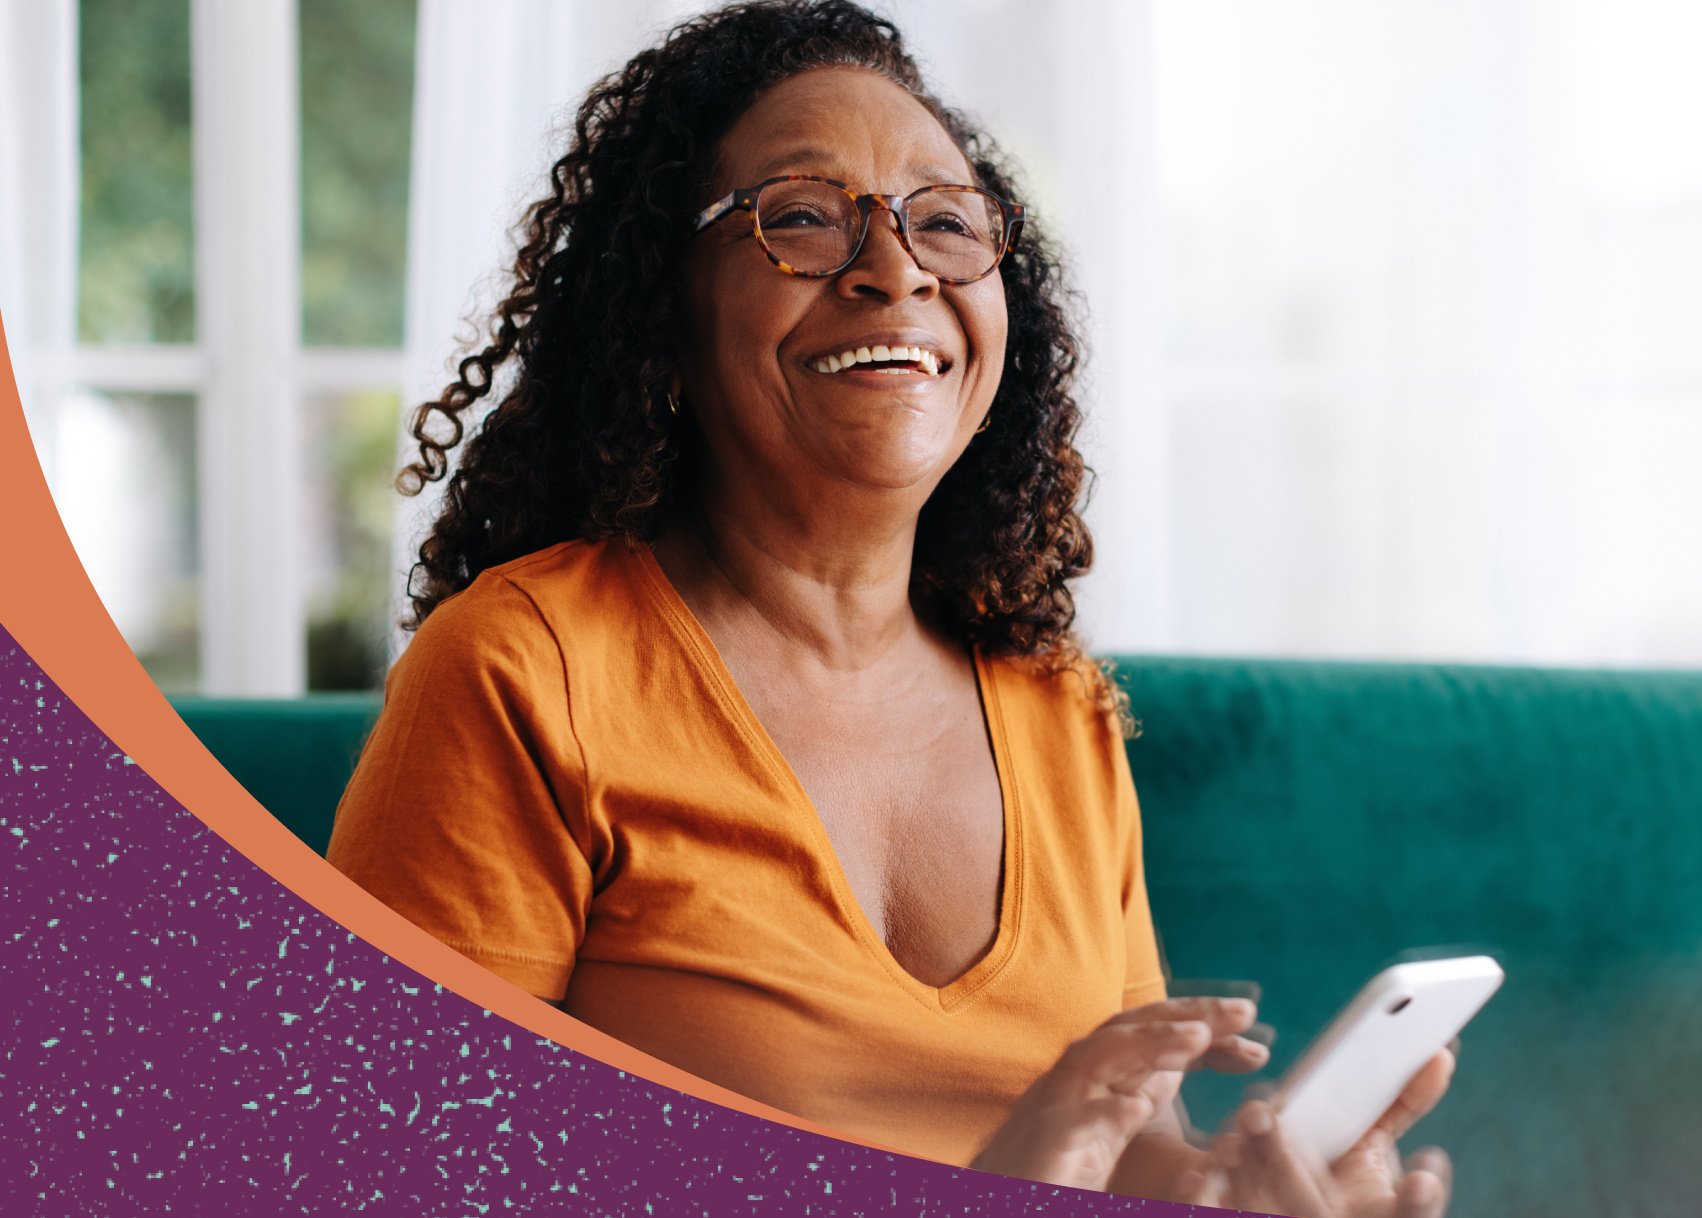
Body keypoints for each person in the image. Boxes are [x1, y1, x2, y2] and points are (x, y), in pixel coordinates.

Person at [327, 2, 1455, 1210]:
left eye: (947, 223)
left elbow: (1127, 1155)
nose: (896, 268)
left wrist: (1236, 1189)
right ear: (662, 310)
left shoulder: (1056, 706)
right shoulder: (522, 668)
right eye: (803, 217)